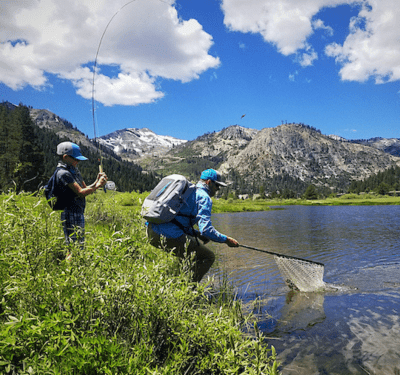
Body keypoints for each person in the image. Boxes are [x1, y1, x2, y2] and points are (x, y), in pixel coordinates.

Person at [146, 168, 239, 282]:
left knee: (188, 254)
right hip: (167, 234)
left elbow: (178, 221)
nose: (218, 189)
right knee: (208, 257)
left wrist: (197, 234)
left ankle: (176, 283)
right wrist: (226, 240)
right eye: (217, 186)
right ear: (209, 182)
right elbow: (206, 230)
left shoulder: (189, 193)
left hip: (151, 231)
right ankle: (189, 289)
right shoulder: (204, 198)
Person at [54, 141, 107, 259]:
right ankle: (69, 270)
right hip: (69, 213)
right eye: (76, 159)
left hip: (78, 212)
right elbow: (81, 193)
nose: (77, 162)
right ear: (65, 157)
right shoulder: (63, 173)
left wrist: (96, 181)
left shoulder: (74, 171)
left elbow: (85, 188)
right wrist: (98, 185)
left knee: (80, 243)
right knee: (72, 245)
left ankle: (77, 268)